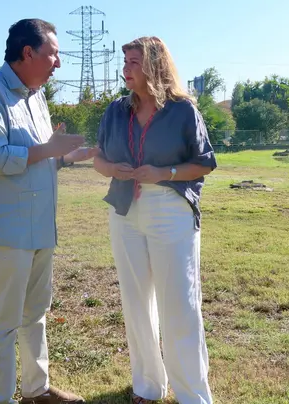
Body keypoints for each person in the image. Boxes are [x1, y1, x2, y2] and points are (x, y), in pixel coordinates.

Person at [0, 18, 96, 404]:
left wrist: (69, 157)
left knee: (36, 313)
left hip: (41, 227)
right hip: (9, 231)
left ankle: (37, 390)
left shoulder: (36, 95)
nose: (58, 64)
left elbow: (38, 157)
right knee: (5, 322)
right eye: (53, 54)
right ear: (28, 52)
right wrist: (51, 150)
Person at [92, 36, 217, 404]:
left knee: (179, 303)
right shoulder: (116, 110)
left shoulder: (182, 110)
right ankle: (148, 385)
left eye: (133, 61)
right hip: (125, 210)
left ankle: (192, 394)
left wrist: (164, 173)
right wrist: (111, 168)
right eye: (125, 61)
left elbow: (204, 163)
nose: (125, 69)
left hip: (170, 209)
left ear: (154, 65)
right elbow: (99, 158)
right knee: (135, 301)